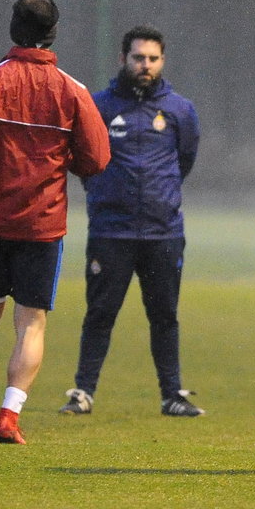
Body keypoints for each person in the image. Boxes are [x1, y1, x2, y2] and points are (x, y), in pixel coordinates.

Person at [0, 0, 111, 444]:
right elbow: (97, 158)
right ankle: (9, 415)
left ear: (12, 29)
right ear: (53, 33)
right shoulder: (72, 90)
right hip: (43, 225)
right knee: (31, 322)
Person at [58, 25, 203, 417]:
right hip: (111, 231)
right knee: (100, 314)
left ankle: (172, 395)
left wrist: (161, 198)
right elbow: (82, 160)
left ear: (162, 61)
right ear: (123, 59)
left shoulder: (179, 110)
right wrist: (107, 193)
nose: (145, 65)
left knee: (165, 316)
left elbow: (184, 161)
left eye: (153, 59)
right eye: (139, 57)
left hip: (164, 232)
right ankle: (83, 392)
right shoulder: (98, 106)